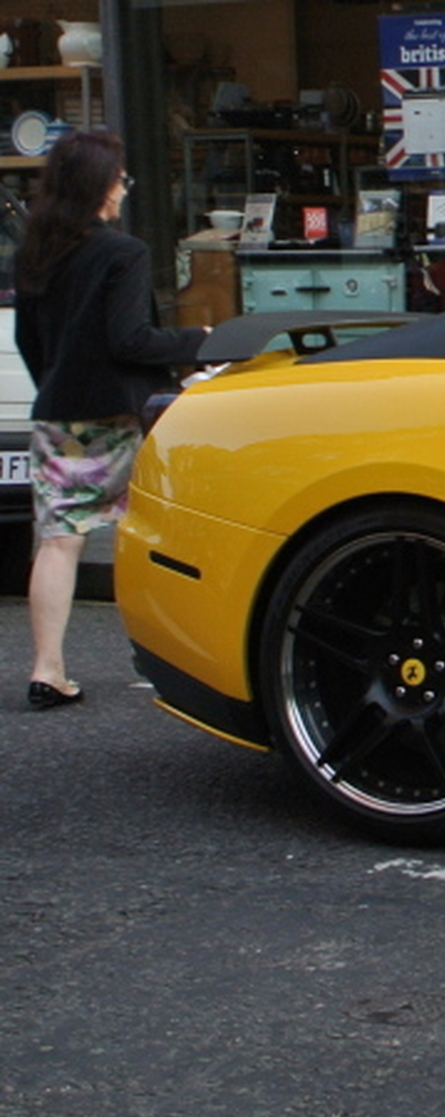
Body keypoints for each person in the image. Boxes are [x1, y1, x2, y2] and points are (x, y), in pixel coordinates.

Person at [12, 130, 208, 711]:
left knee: (58, 542)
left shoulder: (37, 249)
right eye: (120, 179)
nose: (124, 189)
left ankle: (47, 670)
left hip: (57, 414)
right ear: (101, 186)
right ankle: (163, 661)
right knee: (144, 534)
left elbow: (29, 341)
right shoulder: (124, 252)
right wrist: (197, 341)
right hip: (118, 418)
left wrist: (57, 379)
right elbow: (132, 340)